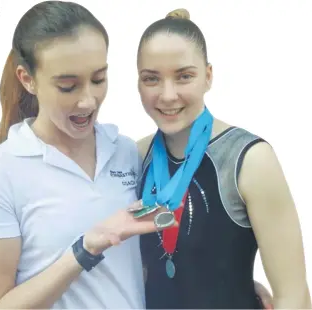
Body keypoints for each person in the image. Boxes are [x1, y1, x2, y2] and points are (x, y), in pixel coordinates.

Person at [0, 1, 274, 309]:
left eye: (98, 79)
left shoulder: (127, 152)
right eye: (68, 86)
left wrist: (231, 285)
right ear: (27, 79)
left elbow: (142, 261)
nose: (88, 101)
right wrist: (86, 247)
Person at [135, 8, 311, 310]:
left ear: (208, 76)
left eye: (184, 76)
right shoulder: (137, 156)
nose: (167, 95)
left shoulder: (249, 160)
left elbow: (293, 297)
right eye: (151, 79)